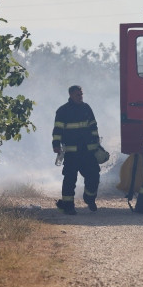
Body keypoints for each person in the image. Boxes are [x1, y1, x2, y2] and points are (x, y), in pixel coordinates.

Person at [51, 85, 103, 214]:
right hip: (72, 153)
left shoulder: (86, 108)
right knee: (69, 180)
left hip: (87, 152)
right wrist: (56, 144)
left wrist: (96, 140)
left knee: (94, 175)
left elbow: (93, 125)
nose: (80, 97)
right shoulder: (63, 111)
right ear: (71, 95)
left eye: (81, 94)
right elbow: (57, 130)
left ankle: (89, 198)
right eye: (77, 95)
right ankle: (68, 206)